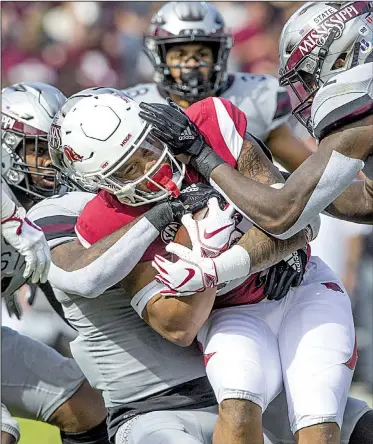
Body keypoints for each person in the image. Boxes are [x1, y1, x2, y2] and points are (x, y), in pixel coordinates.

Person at [44, 91, 371, 444]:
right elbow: (176, 325)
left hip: (303, 288)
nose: (147, 171)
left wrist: (216, 266)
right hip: (234, 313)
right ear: (99, 183)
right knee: (238, 406)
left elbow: (295, 220)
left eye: (145, 149)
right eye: (126, 170)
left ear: (154, 129)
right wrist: (203, 247)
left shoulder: (207, 124)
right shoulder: (106, 220)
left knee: (317, 424)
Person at [139, 1, 373, 242]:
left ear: (346, 56)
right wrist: (264, 179)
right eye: (180, 54)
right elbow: (362, 200)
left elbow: (286, 209)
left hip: (242, 236)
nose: (311, 86)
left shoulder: (357, 124)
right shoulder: (136, 105)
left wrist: (202, 155)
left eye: (310, 72)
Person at [1, 82, 111, 444]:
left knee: (86, 407)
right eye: (36, 150)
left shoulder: (46, 209)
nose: (51, 163)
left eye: (55, 150)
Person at [124, 1, 313, 173]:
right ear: (160, 56)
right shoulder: (135, 106)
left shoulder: (256, 95)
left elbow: (307, 172)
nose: (191, 63)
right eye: (180, 54)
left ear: (219, 55)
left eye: (201, 53)